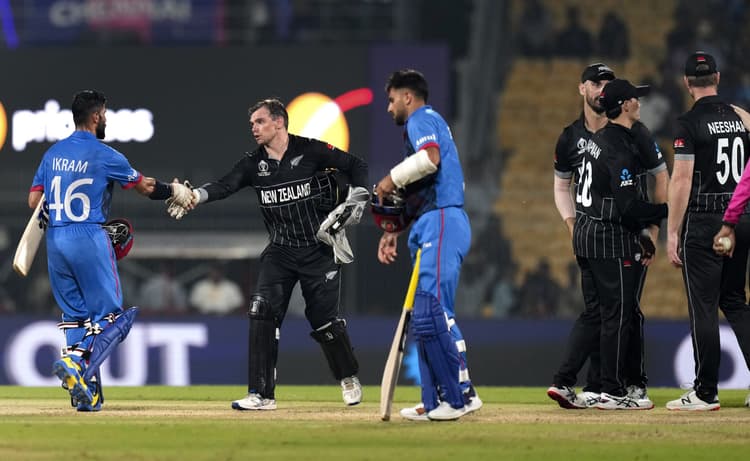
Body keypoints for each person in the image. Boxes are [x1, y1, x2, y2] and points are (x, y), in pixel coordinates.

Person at [166, 98, 369, 410]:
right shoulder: (253, 163)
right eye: (252, 124)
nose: (254, 128)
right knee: (261, 311)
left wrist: (357, 198)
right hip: (280, 251)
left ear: (279, 122)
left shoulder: (311, 150)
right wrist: (195, 195)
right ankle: (261, 394)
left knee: (324, 321)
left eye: (260, 122)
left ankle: (348, 377)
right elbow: (225, 185)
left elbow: (357, 166)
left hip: (319, 249)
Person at [28, 89, 196, 411]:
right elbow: (145, 187)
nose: (105, 119)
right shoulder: (105, 154)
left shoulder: (52, 154)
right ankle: (77, 363)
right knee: (114, 318)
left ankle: (86, 394)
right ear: (95, 116)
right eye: (104, 114)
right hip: (88, 236)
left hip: (56, 240)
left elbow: (34, 201)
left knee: (76, 318)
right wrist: (174, 189)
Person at [548, 64, 668, 410]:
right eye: (635, 99)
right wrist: (666, 212)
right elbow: (628, 206)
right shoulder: (616, 146)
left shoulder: (597, 141)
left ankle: (569, 381)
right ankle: (616, 389)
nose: (640, 103)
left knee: (597, 313)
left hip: (588, 233)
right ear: (625, 105)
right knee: (619, 313)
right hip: (610, 236)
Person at [374, 69, 481, 421]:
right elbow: (423, 188)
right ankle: (436, 400)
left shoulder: (421, 119)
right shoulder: (425, 123)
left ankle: (458, 397)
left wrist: (389, 179)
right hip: (430, 221)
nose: (389, 107)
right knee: (427, 315)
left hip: (442, 220)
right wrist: (394, 230)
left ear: (408, 97)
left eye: (392, 100)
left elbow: (429, 159)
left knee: (433, 311)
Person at [667, 52, 750, 411]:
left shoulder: (688, 124)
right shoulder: (740, 117)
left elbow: (682, 179)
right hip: (741, 217)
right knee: (734, 301)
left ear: (687, 83)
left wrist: (673, 231)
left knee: (703, 305)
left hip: (705, 219)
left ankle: (704, 391)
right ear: (717, 77)